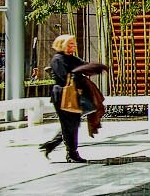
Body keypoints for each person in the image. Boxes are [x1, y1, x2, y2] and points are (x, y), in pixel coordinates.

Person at [40, 34, 107, 163]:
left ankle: (53, 145)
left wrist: (97, 67)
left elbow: (84, 66)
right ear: (62, 45)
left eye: (74, 43)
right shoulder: (58, 59)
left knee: (72, 124)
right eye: (70, 43)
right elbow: (64, 77)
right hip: (63, 95)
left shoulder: (72, 58)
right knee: (69, 124)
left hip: (74, 94)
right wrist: (79, 72)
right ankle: (71, 154)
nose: (73, 46)